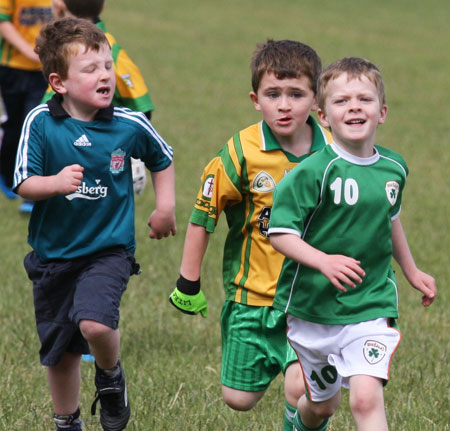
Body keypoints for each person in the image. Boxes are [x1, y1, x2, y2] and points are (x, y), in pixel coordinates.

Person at [13, 17, 176, 431]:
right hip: (53, 256)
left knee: (95, 323)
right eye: (91, 69)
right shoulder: (40, 123)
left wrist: (165, 208)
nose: (105, 74)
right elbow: (23, 182)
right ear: (59, 82)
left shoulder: (129, 123)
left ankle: (110, 377)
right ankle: (67, 421)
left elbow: (162, 158)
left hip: (109, 250)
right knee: (61, 351)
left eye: (107, 65)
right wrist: (54, 183)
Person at [169, 39, 332, 431]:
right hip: (251, 298)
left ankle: (300, 415)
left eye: (297, 94)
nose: (284, 104)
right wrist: (188, 282)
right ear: (255, 99)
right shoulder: (242, 152)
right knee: (238, 399)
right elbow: (202, 215)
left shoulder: (334, 152)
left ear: (316, 99)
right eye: (273, 94)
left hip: (312, 302)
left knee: (309, 395)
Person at [268, 57, 437, 431]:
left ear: (382, 112)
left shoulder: (394, 168)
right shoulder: (312, 172)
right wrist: (324, 262)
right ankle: (299, 421)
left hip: (370, 301)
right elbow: (280, 234)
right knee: (323, 407)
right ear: (324, 116)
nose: (355, 106)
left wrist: (411, 271)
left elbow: (389, 219)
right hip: (313, 308)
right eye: (342, 101)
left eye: (364, 99)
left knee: (364, 398)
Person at [0, 0, 52, 211]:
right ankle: (5, 170)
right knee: (13, 126)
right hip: (11, 67)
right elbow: (3, 23)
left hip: (43, 72)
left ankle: (30, 191)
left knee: (33, 125)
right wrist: (30, 52)